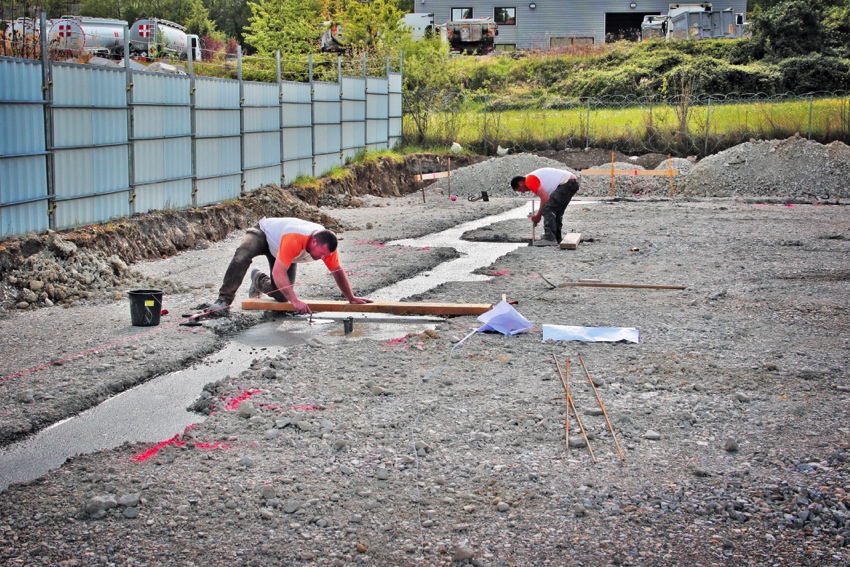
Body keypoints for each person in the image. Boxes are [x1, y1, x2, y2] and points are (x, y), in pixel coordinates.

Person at [207, 217, 372, 316]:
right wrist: (296, 300)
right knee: (243, 254)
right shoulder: (295, 238)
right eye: (320, 254)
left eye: (325, 256)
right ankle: (223, 300)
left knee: (281, 296)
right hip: (264, 234)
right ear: (314, 241)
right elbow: (279, 272)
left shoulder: (327, 246)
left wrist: (350, 298)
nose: (322, 258)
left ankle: (258, 279)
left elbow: (337, 271)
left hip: (282, 252)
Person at [511, 167, 580, 244]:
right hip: (572, 183)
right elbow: (545, 198)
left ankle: (549, 238)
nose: (523, 192)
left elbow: (545, 198)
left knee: (548, 209)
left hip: (566, 184)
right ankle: (556, 238)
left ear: (520, 183)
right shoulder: (532, 178)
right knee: (556, 211)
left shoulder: (529, 180)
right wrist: (538, 215)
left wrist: (538, 215)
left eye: (520, 190)